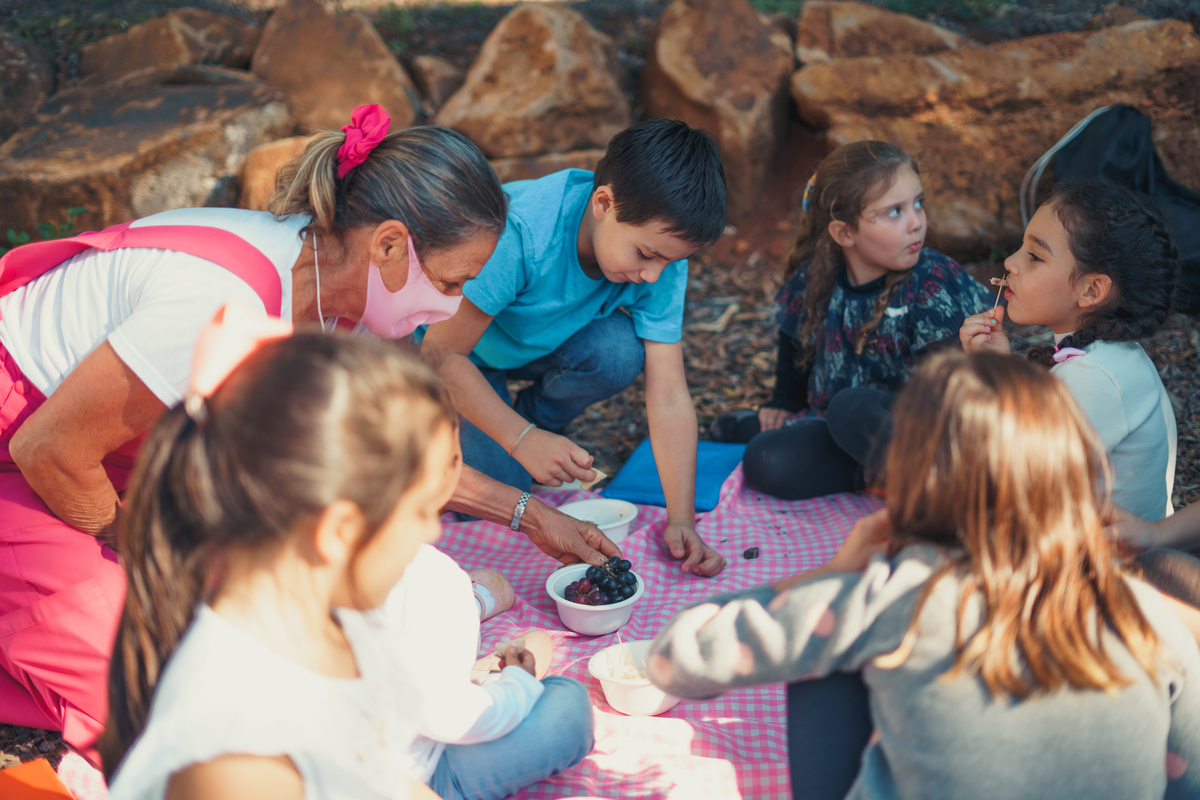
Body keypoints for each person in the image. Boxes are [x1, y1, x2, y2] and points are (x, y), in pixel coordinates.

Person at [0, 105, 615, 763]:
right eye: (450, 283)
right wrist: (153, 557)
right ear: (388, 245)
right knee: (162, 696)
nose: (451, 308)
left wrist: (529, 516)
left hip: (128, 459)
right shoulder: (221, 299)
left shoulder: (340, 298)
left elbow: (395, 465)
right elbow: (48, 449)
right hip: (35, 456)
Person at [648, 351, 1200, 800]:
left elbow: (674, 658)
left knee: (830, 652)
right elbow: (1184, 777)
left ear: (907, 478)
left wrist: (833, 577)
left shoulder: (891, 601)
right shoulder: (1156, 618)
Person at [102, 315, 466, 798]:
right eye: (422, 510)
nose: (435, 529)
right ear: (339, 531)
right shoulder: (237, 758)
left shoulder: (325, 621)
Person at [420, 118, 728, 577]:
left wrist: (680, 517)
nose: (654, 276)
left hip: (531, 343)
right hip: (449, 355)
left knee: (619, 350)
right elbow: (439, 356)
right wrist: (521, 440)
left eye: (670, 261)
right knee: (502, 492)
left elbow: (668, 394)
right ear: (604, 203)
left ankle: (526, 423)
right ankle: (518, 429)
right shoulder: (522, 232)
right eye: (645, 255)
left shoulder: (660, 256)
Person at [712, 141, 991, 501]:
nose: (916, 222)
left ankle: (940, 489)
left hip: (922, 429)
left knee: (851, 407)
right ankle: (876, 471)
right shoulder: (814, 281)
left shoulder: (932, 279)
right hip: (846, 431)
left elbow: (949, 386)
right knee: (765, 457)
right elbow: (795, 348)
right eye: (895, 212)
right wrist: (784, 402)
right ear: (845, 233)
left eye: (917, 203)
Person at [961, 180, 1178, 520]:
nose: (1010, 262)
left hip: (1091, 566)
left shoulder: (1094, 377)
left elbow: (1014, 480)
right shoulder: (1112, 357)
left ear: (1091, 290)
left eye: (1034, 256)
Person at [379, 544, 593, 800]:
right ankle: (478, 612)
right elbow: (450, 718)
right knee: (567, 704)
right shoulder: (427, 574)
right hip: (421, 775)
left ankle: (478, 605)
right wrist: (519, 683)